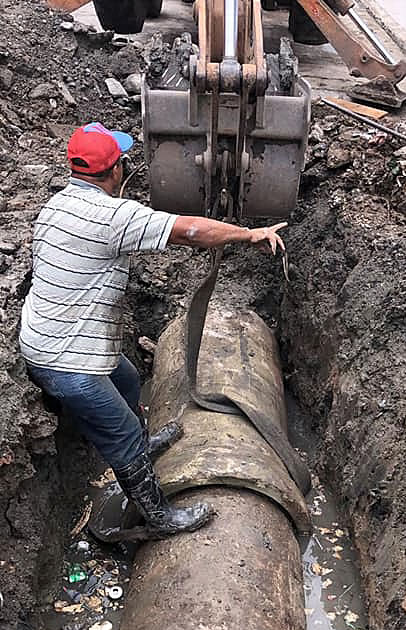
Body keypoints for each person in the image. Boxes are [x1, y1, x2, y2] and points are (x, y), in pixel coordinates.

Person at [19, 122, 286, 538]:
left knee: (126, 377)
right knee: (120, 437)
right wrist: (248, 234)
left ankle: (144, 449)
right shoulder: (112, 215)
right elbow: (193, 231)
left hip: (46, 339)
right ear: (116, 171)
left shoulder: (55, 206)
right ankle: (159, 517)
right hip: (67, 361)